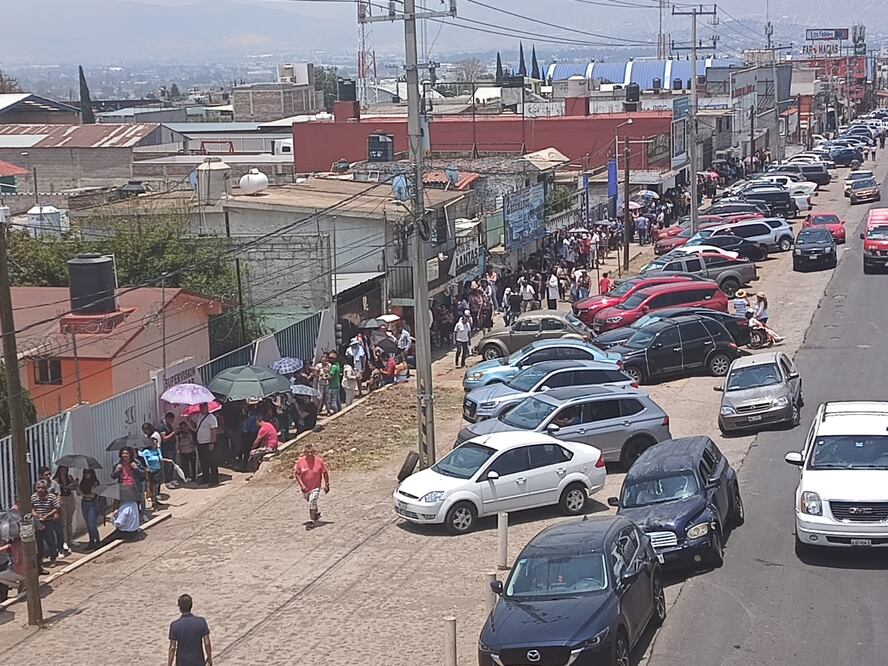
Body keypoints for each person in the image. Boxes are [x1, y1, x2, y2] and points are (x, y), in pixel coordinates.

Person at [168, 594, 212, 666]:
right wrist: (209, 659)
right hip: (198, 661)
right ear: (191, 606)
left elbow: (172, 648)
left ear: (180, 608)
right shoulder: (201, 622)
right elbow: (207, 643)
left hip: (182, 662)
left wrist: (169, 664)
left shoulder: (175, 625)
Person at [293, 443, 330, 530]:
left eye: (311, 452)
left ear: (314, 452)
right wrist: (301, 485)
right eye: (307, 452)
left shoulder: (319, 461)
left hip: (316, 486)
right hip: (305, 488)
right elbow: (297, 474)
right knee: (309, 500)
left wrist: (327, 484)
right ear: (304, 453)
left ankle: (311, 520)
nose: (309, 454)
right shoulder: (300, 462)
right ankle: (315, 513)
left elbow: (325, 473)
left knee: (312, 500)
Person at [31, 480, 60, 568]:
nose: (40, 490)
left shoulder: (51, 497)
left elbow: (57, 508)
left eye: (42, 488)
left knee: (50, 540)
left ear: (46, 488)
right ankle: (40, 560)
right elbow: (31, 507)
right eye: (38, 488)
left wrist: (47, 515)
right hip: (38, 521)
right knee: (38, 541)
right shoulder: (33, 497)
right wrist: (35, 514)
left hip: (48, 521)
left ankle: (53, 558)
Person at [190, 403, 219, 486]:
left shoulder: (211, 418)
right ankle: (205, 478)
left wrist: (212, 443)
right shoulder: (199, 417)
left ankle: (214, 479)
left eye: (203, 407)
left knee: (212, 462)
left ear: (207, 407)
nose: (201, 409)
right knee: (203, 462)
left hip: (208, 443)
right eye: (200, 407)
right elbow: (197, 428)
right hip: (201, 443)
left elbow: (214, 431)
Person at [52, 465, 78, 556]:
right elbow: (56, 490)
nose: (63, 471)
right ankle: (65, 541)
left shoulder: (69, 477)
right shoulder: (56, 479)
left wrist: (73, 485)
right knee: (64, 522)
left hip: (69, 497)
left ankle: (70, 539)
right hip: (62, 498)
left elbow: (74, 488)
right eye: (62, 470)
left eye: (65, 470)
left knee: (69, 520)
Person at [141, 423, 164, 511]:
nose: (154, 443)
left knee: (157, 485)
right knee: (152, 486)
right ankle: (154, 502)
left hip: (157, 468)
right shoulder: (146, 451)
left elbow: (160, 458)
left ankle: (156, 500)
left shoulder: (157, 449)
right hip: (151, 469)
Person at [78, 469, 102, 551]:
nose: (86, 474)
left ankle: (98, 541)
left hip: (92, 504)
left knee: (92, 524)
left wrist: (82, 494)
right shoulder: (83, 482)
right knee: (88, 524)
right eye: (85, 472)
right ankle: (91, 541)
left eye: (88, 472)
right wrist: (77, 487)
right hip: (84, 503)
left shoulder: (95, 483)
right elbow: (78, 493)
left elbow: (92, 495)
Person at [159, 412, 178, 485]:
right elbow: (164, 438)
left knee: (172, 464)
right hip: (167, 449)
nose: (172, 422)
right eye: (172, 420)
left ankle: (171, 479)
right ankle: (167, 480)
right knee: (168, 465)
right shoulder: (162, 426)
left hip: (172, 447)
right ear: (167, 418)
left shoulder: (169, 425)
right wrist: (173, 433)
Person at [327, 350, 342, 415]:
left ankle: (335, 412)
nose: (329, 359)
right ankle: (339, 410)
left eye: (331, 358)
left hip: (332, 386)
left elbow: (330, 377)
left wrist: (325, 375)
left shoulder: (333, 367)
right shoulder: (337, 365)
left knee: (333, 401)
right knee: (337, 399)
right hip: (337, 384)